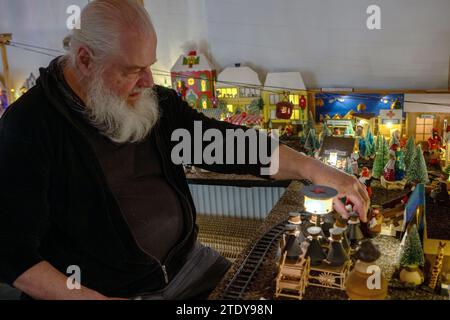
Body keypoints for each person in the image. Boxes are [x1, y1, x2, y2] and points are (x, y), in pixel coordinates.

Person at [0, 0, 369, 300]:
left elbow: (228, 145)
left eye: (150, 66)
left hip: (187, 264)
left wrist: (320, 171)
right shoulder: (29, 127)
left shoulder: (152, 101)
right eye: (132, 70)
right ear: (84, 59)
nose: (147, 81)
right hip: (106, 292)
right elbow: (12, 254)